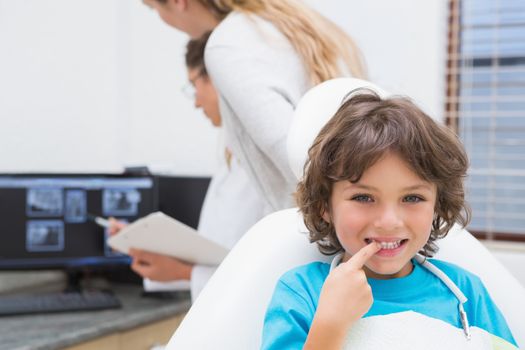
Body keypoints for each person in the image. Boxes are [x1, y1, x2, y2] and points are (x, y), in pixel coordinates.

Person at [261, 88, 518, 349]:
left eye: (412, 198)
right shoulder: (303, 293)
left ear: (437, 205)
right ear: (324, 205)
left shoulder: (465, 293)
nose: (389, 221)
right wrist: (329, 325)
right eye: (363, 198)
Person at [142, 0, 366, 212]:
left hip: (320, 230)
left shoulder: (226, 45)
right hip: (354, 213)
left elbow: (296, 158)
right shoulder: (294, 23)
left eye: (153, 8)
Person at [111, 32, 266, 301]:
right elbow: (220, 251)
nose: (195, 101)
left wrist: (183, 273)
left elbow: (259, 273)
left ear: (219, 79)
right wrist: (149, 244)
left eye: (195, 85)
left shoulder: (260, 160)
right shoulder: (230, 153)